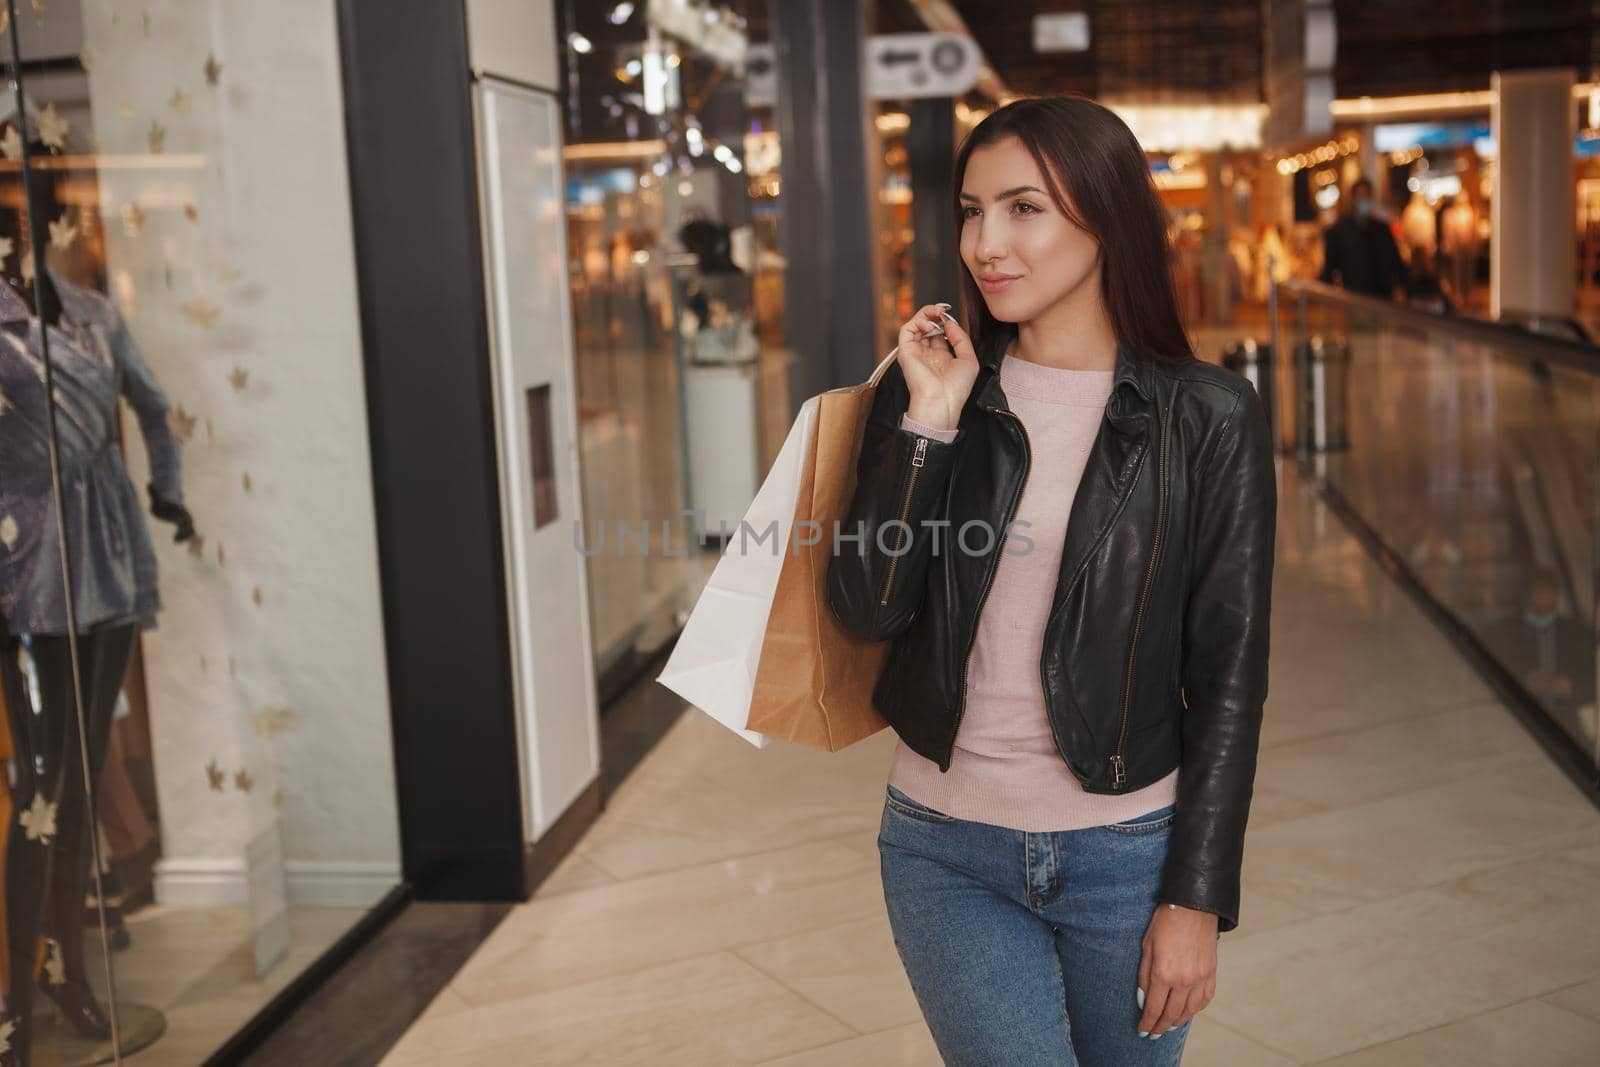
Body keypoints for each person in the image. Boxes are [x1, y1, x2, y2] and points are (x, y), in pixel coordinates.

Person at [826, 95, 1276, 1066]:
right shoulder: (931, 394)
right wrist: (931, 427)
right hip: (944, 846)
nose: (988, 242)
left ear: (1105, 218)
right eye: (972, 209)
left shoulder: (1205, 416)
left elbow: (1231, 678)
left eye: (1024, 207)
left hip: (1128, 850)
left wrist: (1196, 897)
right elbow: (866, 606)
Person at [1318, 177, 1408, 299]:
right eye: (1361, 196)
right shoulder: (1339, 231)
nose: (1364, 200)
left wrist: (1403, 287)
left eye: (1367, 196)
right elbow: (1329, 268)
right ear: (1353, 199)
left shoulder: (1382, 230)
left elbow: (1395, 261)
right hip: (1354, 298)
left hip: (1382, 297)